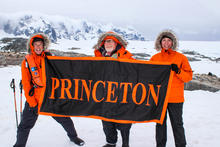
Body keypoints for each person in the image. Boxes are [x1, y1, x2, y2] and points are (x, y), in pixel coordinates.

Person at [13, 33, 85, 147]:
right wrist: (32, 103)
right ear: (32, 46)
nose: (38, 47)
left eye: (40, 44)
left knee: (65, 119)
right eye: (35, 44)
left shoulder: (49, 58)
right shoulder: (27, 61)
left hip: (51, 97)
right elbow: (26, 84)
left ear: (44, 45)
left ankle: (74, 137)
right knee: (25, 125)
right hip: (35, 98)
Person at [150, 30, 193, 147]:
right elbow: (149, 76)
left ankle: (181, 145)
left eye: (169, 40)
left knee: (177, 124)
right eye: (164, 40)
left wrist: (178, 71)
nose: (166, 42)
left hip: (176, 98)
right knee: (160, 124)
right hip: (160, 98)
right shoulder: (155, 58)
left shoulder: (181, 58)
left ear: (173, 43)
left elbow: (188, 77)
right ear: (160, 42)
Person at [93, 31, 133, 147]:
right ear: (102, 44)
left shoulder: (127, 56)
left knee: (124, 120)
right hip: (105, 94)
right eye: (106, 42)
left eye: (111, 42)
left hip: (122, 94)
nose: (108, 44)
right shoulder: (98, 57)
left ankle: (125, 143)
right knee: (106, 119)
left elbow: (135, 70)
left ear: (116, 44)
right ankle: (111, 142)